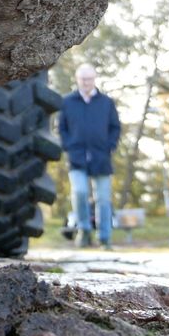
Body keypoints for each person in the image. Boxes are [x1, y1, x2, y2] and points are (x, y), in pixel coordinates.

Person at [58, 63, 121, 249]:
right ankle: (84, 231)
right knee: (79, 192)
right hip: (76, 156)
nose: (86, 82)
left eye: (89, 79)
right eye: (83, 79)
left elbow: (115, 127)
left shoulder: (106, 102)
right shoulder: (67, 102)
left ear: (94, 79)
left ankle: (105, 238)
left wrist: (109, 146)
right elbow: (61, 128)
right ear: (77, 80)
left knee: (103, 199)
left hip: (101, 157)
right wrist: (68, 146)